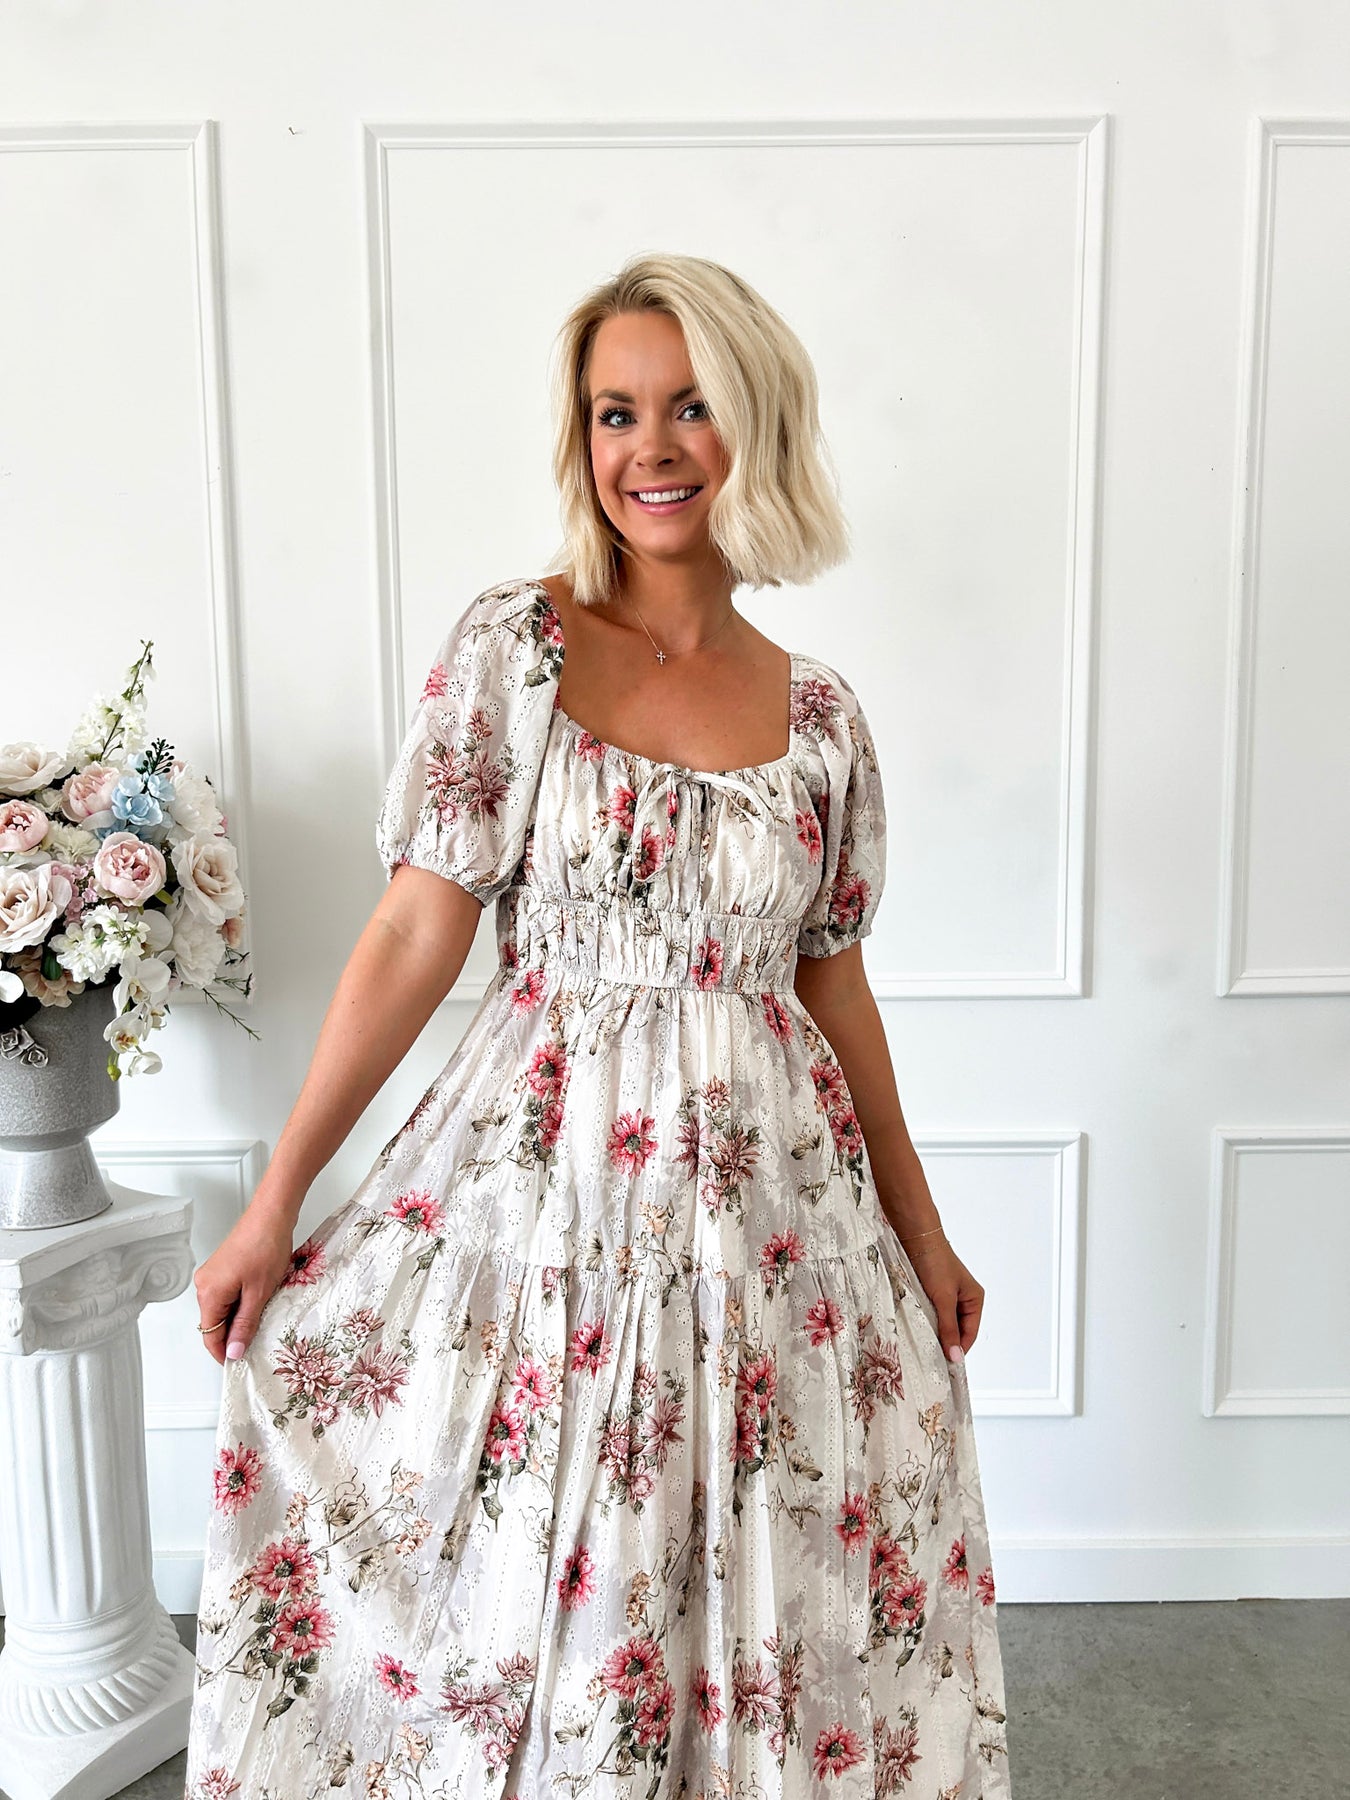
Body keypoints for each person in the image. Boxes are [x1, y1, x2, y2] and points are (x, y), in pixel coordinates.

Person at [184, 252, 1012, 1798]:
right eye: (614, 412)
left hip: (770, 1221)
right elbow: (415, 926)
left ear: (756, 421)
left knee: (751, 1551)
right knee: (553, 1566)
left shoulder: (819, 715)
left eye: (691, 406)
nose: (652, 448)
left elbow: (831, 981)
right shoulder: (519, 648)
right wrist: (276, 1198)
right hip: (548, 1200)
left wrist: (921, 1230)